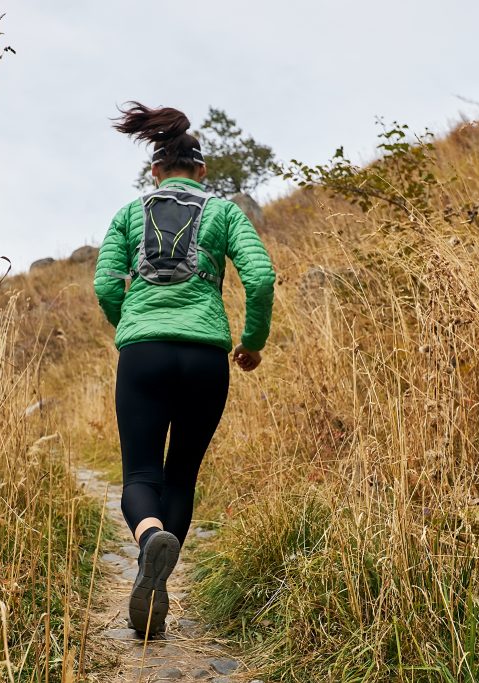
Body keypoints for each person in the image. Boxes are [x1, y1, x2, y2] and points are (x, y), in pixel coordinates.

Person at [93, 102, 276, 635]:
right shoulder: (224, 212)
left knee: (140, 475)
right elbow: (261, 278)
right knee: (181, 476)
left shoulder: (128, 214)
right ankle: (156, 588)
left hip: (144, 354)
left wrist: (130, 325)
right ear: (201, 170)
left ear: (155, 171)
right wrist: (252, 342)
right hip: (205, 359)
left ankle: (150, 539)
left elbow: (105, 284)